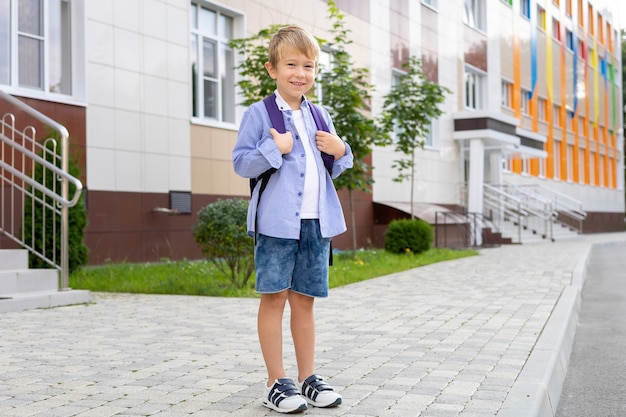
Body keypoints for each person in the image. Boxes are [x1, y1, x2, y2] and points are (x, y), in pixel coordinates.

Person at [232, 25, 354, 413]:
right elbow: (241, 163)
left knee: (305, 302)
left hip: (317, 224)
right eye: (291, 64)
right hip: (276, 224)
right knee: (275, 299)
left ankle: (308, 379)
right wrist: (274, 147)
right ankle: (275, 382)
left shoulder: (321, 114)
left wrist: (341, 149)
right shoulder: (260, 113)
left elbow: (331, 168)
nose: (301, 73)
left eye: (309, 66)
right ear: (272, 69)